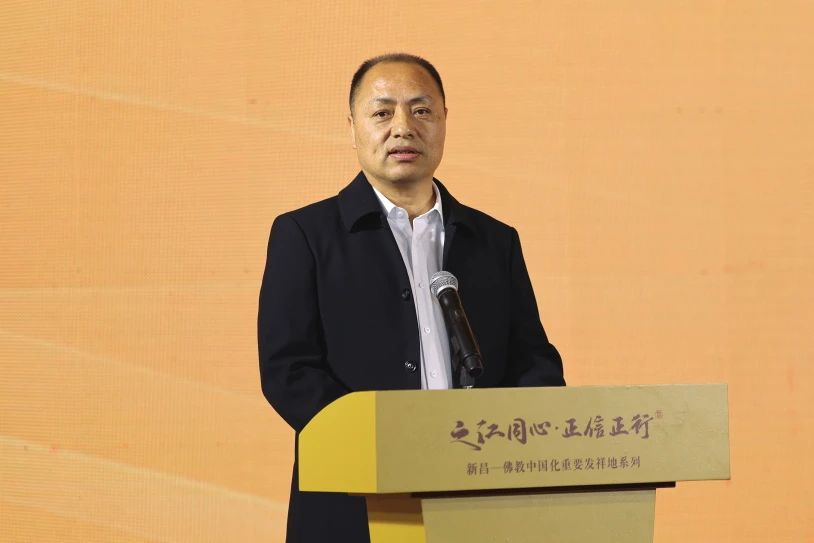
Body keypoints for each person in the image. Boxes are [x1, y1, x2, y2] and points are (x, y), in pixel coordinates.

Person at [258, 53, 565, 543]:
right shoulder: (306, 235)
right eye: (382, 112)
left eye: (422, 110)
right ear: (352, 127)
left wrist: (532, 434)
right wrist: (385, 443)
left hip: (479, 500)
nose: (403, 127)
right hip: (355, 500)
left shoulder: (494, 241)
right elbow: (289, 371)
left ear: (444, 121)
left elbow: (533, 360)